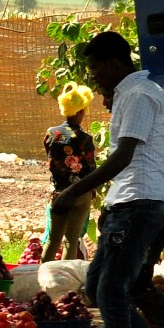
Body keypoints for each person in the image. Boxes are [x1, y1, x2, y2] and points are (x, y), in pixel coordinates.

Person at [54, 31, 164, 328]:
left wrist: (73, 191)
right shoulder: (132, 93)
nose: (94, 77)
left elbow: (124, 155)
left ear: (114, 64)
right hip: (128, 201)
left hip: (139, 202)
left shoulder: (140, 95)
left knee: (111, 288)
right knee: (97, 285)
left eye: (96, 68)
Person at [42, 84, 97, 261]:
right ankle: (67, 281)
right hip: (80, 194)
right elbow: (91, 168)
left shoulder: (51, 134)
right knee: (71, 241)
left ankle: (43, 275)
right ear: (81, 111)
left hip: (58, 193)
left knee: (52, 239)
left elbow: (50, 157)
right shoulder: (85, 139)